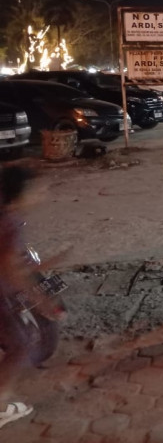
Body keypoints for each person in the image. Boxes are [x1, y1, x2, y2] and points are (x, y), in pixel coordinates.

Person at [0, 167, 37, 431]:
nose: (41, 193)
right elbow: (11, 268)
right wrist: (42, 301)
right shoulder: (9, 222)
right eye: (36, 189)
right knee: (20, 346)